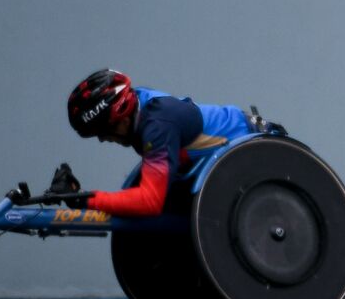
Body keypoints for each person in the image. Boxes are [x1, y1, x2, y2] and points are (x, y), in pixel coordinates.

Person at [64, 69, 280, 215]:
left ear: (120, 117)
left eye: (102, 131)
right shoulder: (141, 103)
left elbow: (150, 202)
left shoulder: (157, 127)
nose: (102, 139)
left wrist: (86, 201)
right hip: (223, 162)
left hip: (260, 154)